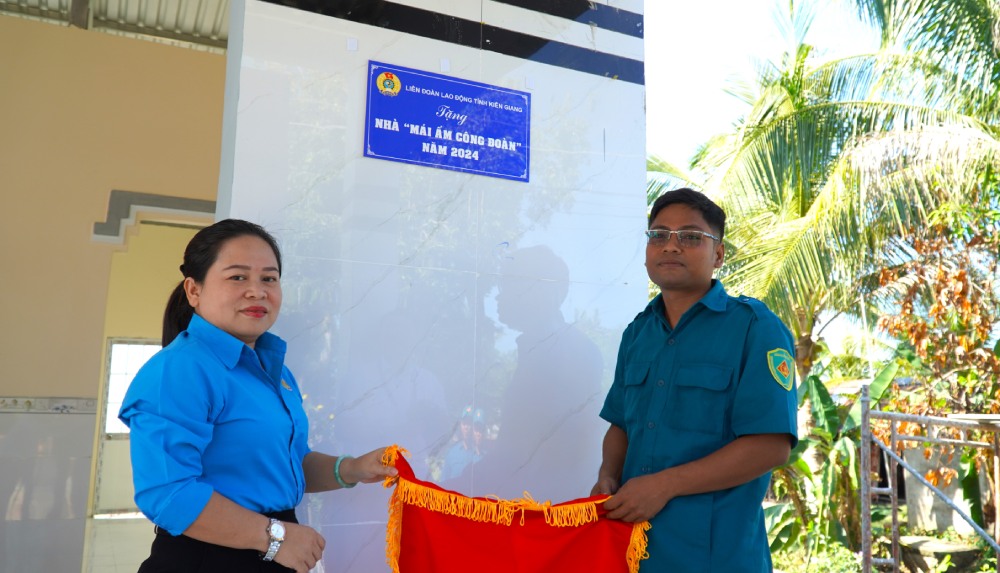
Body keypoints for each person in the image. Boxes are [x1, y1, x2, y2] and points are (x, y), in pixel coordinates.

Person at [119, 219, 397, 573]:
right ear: (194, 290)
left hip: (267, 547)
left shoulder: (272, 370)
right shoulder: (179, 370)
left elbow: (286, 463)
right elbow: (168, 494)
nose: (257, 291)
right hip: (208, 557)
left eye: (269, 278)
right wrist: (275, 537)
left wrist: (353, 468)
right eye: (238, 277)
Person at [592, 188, 798, 572]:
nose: (671, 246)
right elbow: (620, 424)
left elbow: (771, 446)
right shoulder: (637, 333)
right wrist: (608, 475)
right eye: (659, 235)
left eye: (690, 236)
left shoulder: (755, 328)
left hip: (716, 558)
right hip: (632, 551)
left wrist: (664, 485)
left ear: (718, 254)